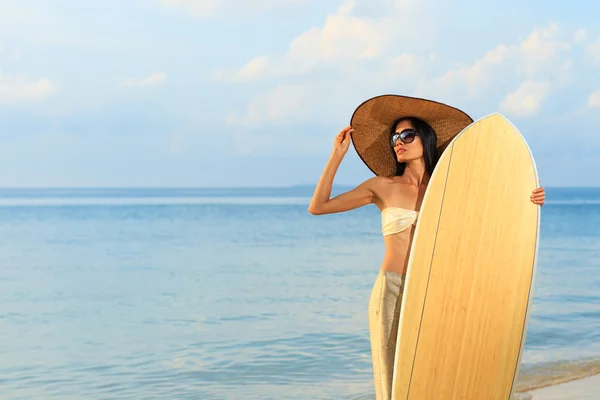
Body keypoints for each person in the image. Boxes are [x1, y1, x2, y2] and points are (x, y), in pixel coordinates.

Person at [307, 95, 545, 400]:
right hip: (391, 289)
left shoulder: (447, 190)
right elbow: (318, 206)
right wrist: (336, 156)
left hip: (433, 293)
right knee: (392, 382)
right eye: (395, 137)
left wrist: (531, 198)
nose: (398, 142)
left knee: (429, 379)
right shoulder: (382, 186)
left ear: (426, 140)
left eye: (407, 135)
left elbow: (490, 218)